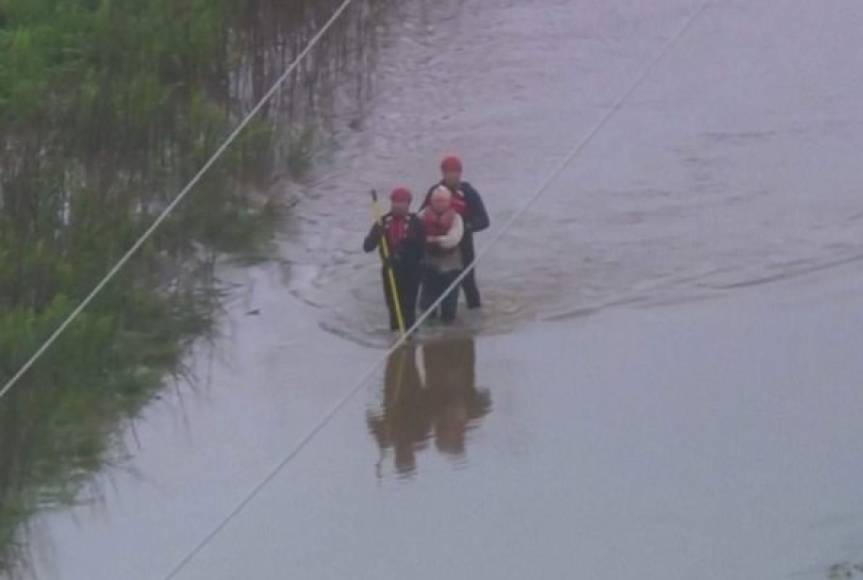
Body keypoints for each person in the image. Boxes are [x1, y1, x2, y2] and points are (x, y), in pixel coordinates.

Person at [423, 155, 490, 309]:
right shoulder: (435, 192)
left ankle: (474, 321)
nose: (452, 175)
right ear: (442, 173)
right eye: (448, 172)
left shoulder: (469, 193)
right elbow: (421, 216)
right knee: (432, 286)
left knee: (468, 284)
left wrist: (466, 227)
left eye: (455, 172)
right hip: (436, 249)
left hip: (463, 246)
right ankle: (434, 321)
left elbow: (484, 221)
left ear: (460, 173)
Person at [363, 187, 425, 331]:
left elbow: (422, 250)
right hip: (389, 271)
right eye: (395, 201)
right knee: (393, 309)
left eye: (401, 202)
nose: (397, 205)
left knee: (408, 308)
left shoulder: (417, 223)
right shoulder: (382, 222)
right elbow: (367, 247)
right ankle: (395, 337)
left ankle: (410, 339)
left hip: (411, 273)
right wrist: (376, 235)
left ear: (408, 204)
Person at [419, 186, 465, 323]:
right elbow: (415, 237)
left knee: (449, 309)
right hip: (428, 266)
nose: (440, 204)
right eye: (437, 201)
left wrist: (434, 240)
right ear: (431, 201)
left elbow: (453, 239)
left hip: (451, 267)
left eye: (443, 201)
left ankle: (447, 331)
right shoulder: (421, 216)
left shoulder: (456, 218)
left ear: (449, 202)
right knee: (426, 307)